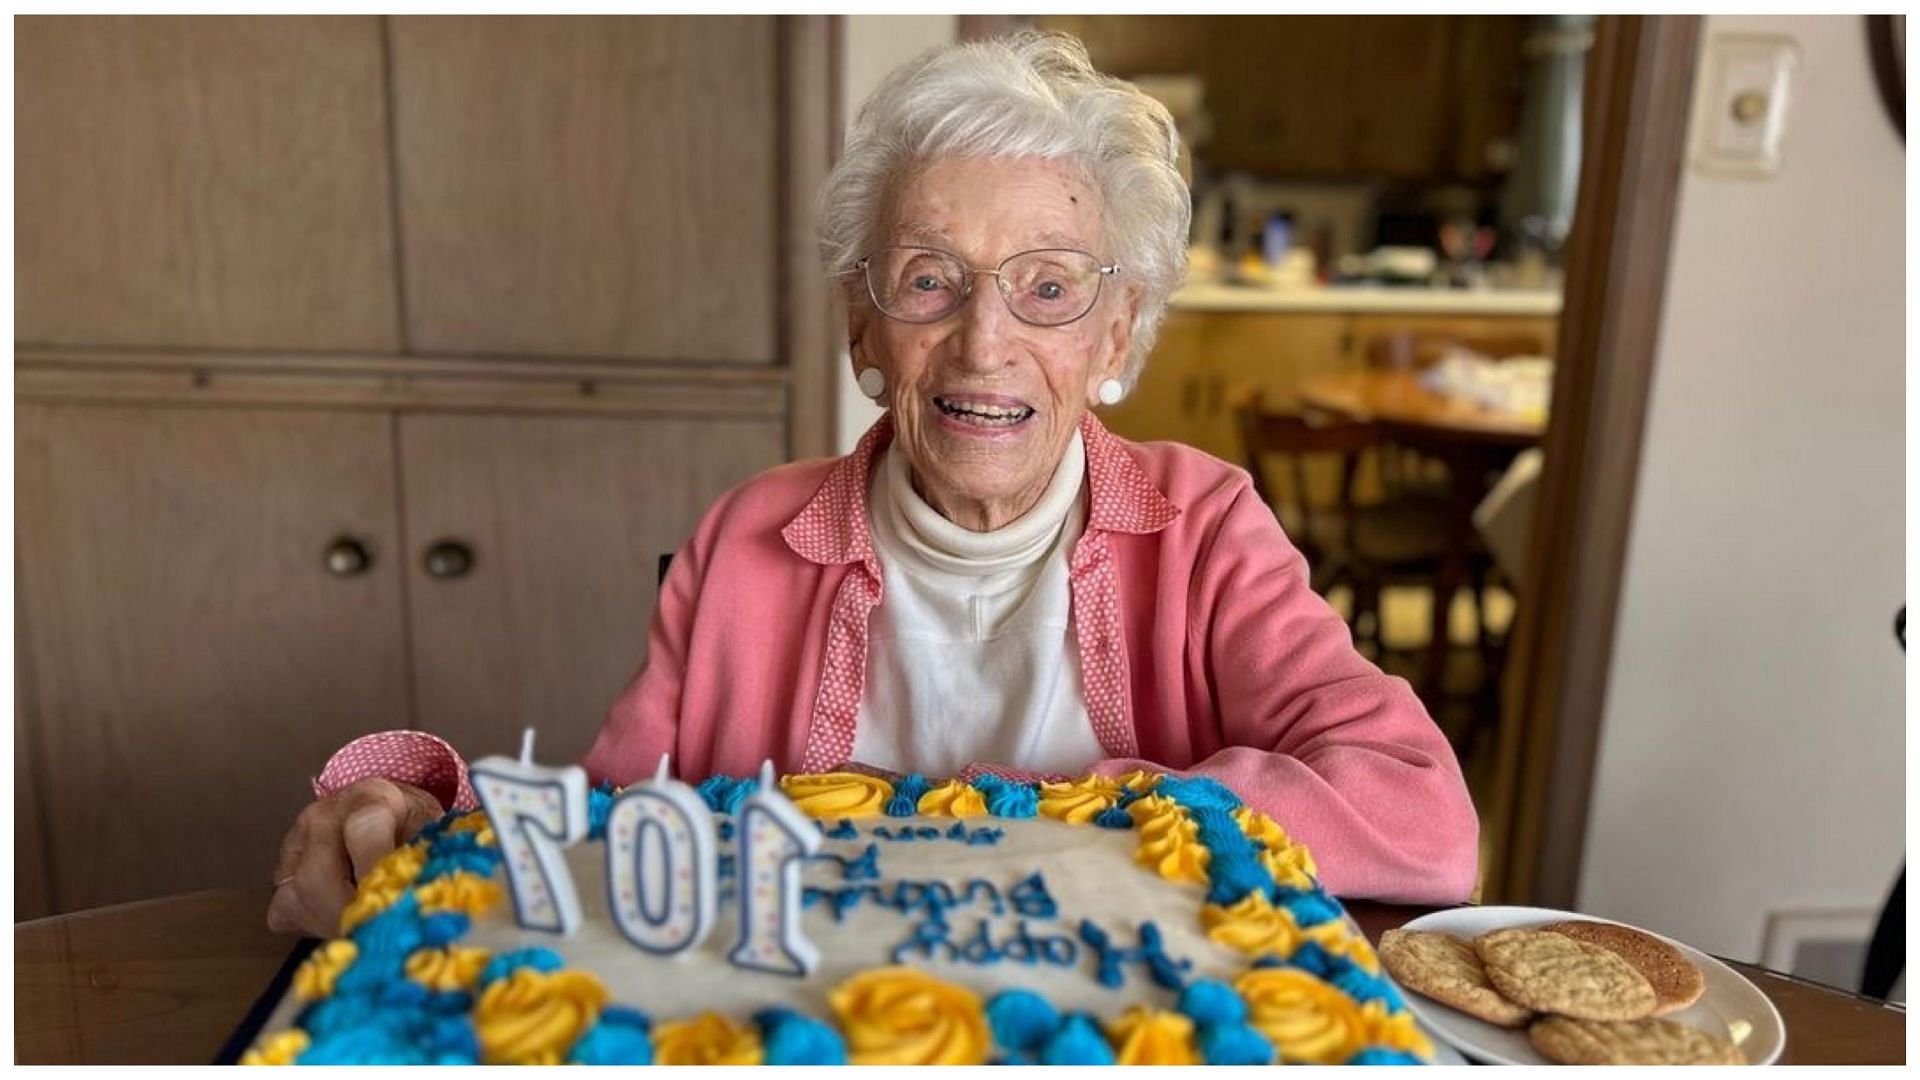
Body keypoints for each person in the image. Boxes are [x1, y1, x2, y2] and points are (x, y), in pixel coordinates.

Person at [268, 31, 1477, 940]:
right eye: (928, 279)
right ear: (863, 328)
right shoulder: (747, 538)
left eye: (1049, 287)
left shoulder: (1205, 528)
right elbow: (614, 832)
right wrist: (428, 818)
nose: (984, 343)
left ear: (1116, 338)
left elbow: (1424, 820)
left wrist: (1063, 820)